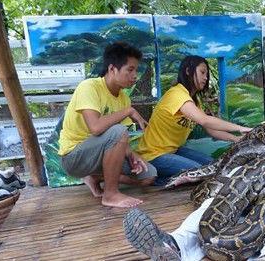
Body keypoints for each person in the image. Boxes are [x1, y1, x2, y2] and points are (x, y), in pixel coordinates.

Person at [58, 42, 157, 208]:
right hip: (74, 157)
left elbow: (118, 141)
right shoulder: (89, 87)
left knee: (149, 175)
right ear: (112, 69)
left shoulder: (123, 98)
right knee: (117, 131)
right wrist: (128, 111)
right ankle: (110, 194)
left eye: (136, 70)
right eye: (130, 70)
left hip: (99, 156)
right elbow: (96, 128)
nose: (135, 76)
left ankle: (96, 177)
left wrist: (133, 156)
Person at [136, 55, 251, 185]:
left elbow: (212, 130)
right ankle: (154, 179)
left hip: (173, 150)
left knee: (214, 166)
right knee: (204, 173)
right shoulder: (177, 94)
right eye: (202, 72)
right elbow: (205, 120)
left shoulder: (194, 102)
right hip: (153, 155)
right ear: (188, 71)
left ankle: (166, 177)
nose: (206, 77)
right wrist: (240, 128)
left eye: (207, 74)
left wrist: (238, 139)